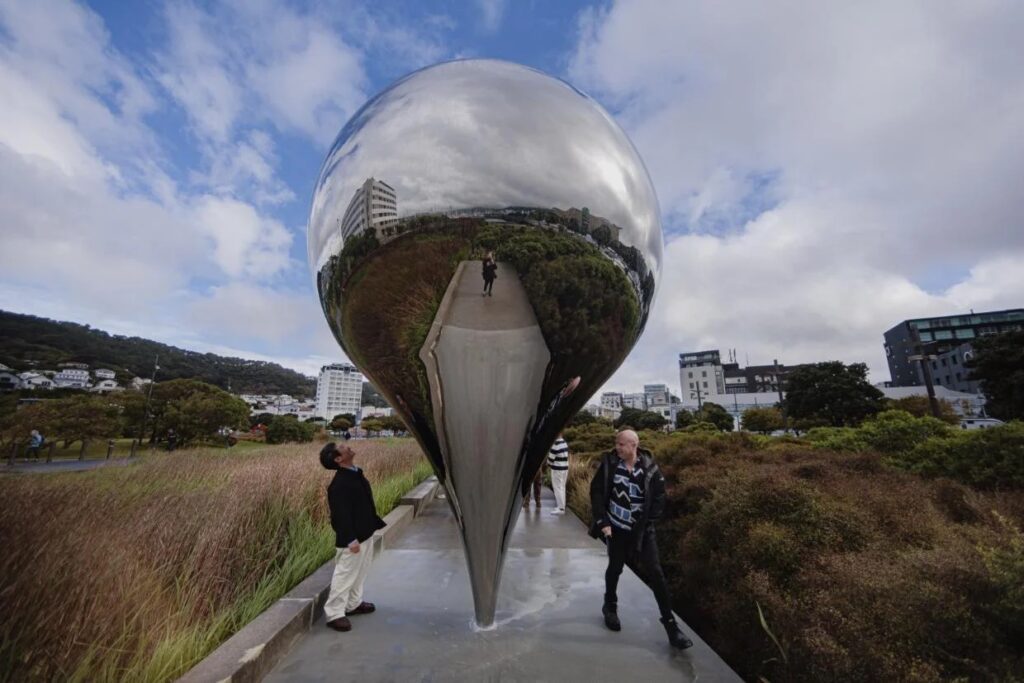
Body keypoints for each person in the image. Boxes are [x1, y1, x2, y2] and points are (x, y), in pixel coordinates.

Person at [589, 429, 693, 650]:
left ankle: (672, 627)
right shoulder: (610, 464)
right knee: (615, 568)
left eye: (621, 444)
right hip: (615, 529)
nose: (617, 447)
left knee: (656, 574)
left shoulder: (650, 469)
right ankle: (610, 606)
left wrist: (646, 524)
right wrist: (603, 521)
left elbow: (659, 497)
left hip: (643, 532)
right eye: (616, 443)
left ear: (633, 445)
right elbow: (596, 492)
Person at [321, 442, 386, 632]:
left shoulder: (354, 473)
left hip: (364, 532)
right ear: (338, 459)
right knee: (345, 574)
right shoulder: (339, 484)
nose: (347, 447)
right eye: (342, 448)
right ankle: (334, 614)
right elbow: (340, 515)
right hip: (353, 539)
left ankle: (353, 604)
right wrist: (350, 539)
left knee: (360, 572)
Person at [547, 433, 569, 515]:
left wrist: (548, 464)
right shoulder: (564, 442)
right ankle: (562, 506)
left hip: (557, 469)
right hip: (565, 468)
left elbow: (550, 460)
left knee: (557, 488)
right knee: (562, 487)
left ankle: (560, 508)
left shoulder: (555, 445)